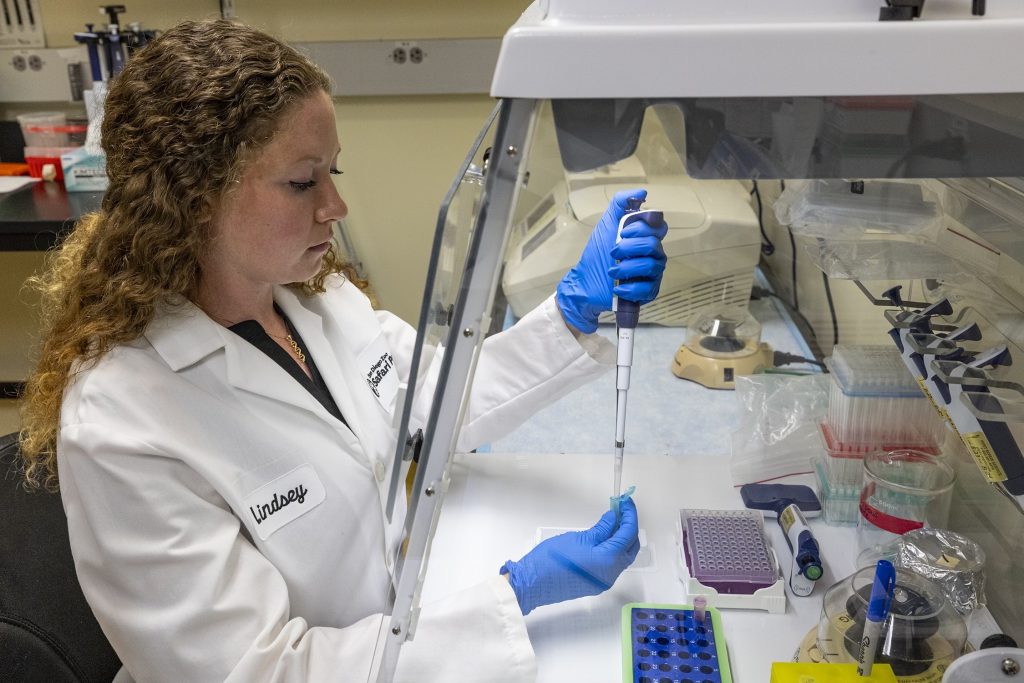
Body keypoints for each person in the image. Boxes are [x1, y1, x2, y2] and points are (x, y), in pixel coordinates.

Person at [17, 19, 668, 683]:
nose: (336, 205)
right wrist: (510, 597)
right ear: (194, 198)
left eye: (334, 171)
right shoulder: (123, 421)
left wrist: (568, 313)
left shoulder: (316, 300)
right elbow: (260, 671)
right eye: (304, 183)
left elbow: (437, 400)